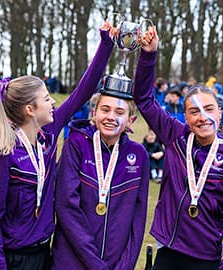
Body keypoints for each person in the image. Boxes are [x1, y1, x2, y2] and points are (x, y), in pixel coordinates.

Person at [0, 22, 115, 270]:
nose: (53, 101)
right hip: (15, 259)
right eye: (46, 99)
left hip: (46, 253)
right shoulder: (3, 154)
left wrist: (106, 45)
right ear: (30, 109)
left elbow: (82, 92)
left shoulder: (49, 134)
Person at [134, 27, 223, 270]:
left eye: (209, 109)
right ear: (186, 117)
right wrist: (149, 54)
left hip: (206, 258)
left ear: (220, 112)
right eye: (194, 111)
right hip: (168, 251)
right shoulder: (175, 136)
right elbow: (144, 99)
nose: (202, 118)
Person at [51, 81, 150, 270]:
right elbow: (66, 205)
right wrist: (96, 265)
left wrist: (125, 265)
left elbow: (138, 218)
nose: (111, 117)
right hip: (71, 261)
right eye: (105, 109)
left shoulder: (139, 155)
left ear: (131, 120)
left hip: (116, 265)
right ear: (94, 112)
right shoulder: (76, 143)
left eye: (120, 113)